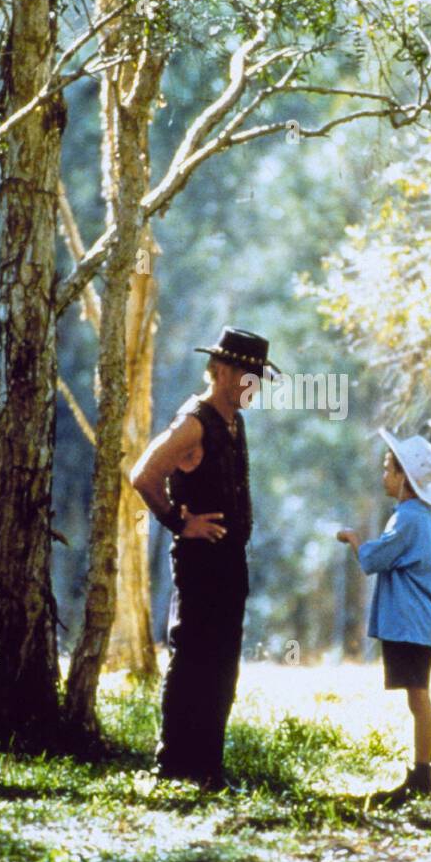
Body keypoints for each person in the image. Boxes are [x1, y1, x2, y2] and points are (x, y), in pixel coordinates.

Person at [130, 327, 279, 791]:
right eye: (247, 376)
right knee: (193, 658)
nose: (253, 386)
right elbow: (143, 475)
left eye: (258, 378)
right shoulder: (194, 421)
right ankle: (174, 766)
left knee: (223, 665)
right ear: (220, 372)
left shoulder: (235, 424)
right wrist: (179, 522)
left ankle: (208, 768)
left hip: (231, 563)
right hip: (199, 563)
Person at [337, 429, 431, 807]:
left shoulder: (410, 519)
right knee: (417, 698)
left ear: (404, 478)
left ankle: (422, 776)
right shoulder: (415, 516)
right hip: (414, 621)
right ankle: (421, 774)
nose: (384, 476)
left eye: (388, 469)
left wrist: (353, 540)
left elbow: (374, 559)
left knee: (418, 698)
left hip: (411, 623)